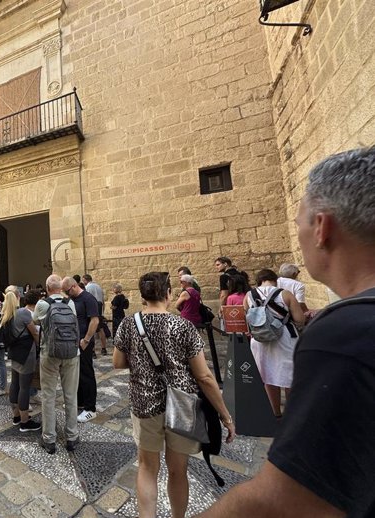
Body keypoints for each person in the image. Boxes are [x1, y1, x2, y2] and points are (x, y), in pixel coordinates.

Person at [198, 148, 375, 518]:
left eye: (299, 224)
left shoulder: (341, 336)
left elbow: (282, 501)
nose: (300, 232)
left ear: (322, 228)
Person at [113, 272, 235, 518]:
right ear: (168, 293)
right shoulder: (183, 326)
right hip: (182, 403)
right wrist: (225, 416)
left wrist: (140, 362)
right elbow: (204, 377)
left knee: (147, 468)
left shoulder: (128, 323)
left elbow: (118, 362)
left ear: (142, 296)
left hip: (145, 402)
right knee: (178, 471)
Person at [243, 269, 304, 418]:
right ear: (275, 280)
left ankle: (275, 413)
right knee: (289, 375)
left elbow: (248, 318)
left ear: (259, 280)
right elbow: (299, 319)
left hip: (260, 340)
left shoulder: (249, 295)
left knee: (268, 375)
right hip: (284, 338)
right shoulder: (285, 294)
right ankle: (291, 413)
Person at [33, 274, 80, 454]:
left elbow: (36, 321)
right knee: (70, 395)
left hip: (49, 353)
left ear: (47, 288)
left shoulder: (42, 304)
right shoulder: (70, 303)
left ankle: (49, 439)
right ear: (61, 287)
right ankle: (72, 436)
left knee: (48, 395)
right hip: (71, 353)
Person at [1, 290, 41, 432]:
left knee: (15, 384)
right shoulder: (23, 313)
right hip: (26, 354)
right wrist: (40, 346)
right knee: (24, 387)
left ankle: (16, 417)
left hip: (14, 353)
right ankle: (25, 422)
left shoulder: (6, 314)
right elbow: (34, 332)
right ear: (18, 298)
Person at [62, 276, 99, 423]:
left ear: (73, 286)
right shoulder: (73, 299)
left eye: (67, 291)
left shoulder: (88, 299)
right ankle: (80, 401)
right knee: (77, 373)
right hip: (75, 342)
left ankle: (90, 409)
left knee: (86, 373)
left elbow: (94, 320)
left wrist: (86, 340)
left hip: (84, 342)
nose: (66, 294)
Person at [82, 274, 108, 356]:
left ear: (86, 280)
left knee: (92, 328)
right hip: (99, 307)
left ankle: (92, 351)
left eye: (83, 280)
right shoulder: (98, 287)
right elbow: (102, 301)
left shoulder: (87, 287)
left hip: (92, 308)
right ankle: (104, 348)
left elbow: (86, 299)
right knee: (100, 328)